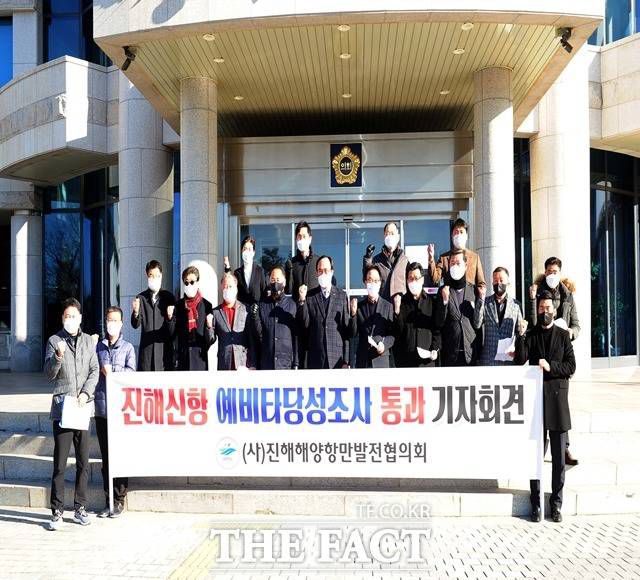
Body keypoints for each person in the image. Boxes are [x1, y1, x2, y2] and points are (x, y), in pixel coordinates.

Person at [515, 291, 576, 523]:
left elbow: (571, 366)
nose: (545, 311)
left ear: (554, 309)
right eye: (541, 307)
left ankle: (556, 504)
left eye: (548, 307)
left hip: (558, 404)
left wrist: (551, 366)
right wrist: (521, 335)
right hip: (536, 404)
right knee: (536, 458)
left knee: (559, 460)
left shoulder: (563, 335)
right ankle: (536, 503)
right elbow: (519, 359)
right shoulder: (531, 334)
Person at [43, 298, 99, 531]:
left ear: (80, 318)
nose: (70, 320)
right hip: (62, 408)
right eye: (67, 316)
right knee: (60, 464)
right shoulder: (54, 340)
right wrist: (58, 356)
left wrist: (86, 393)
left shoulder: (88, 341)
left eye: (74, 316)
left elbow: (94, 370)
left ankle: (80, 508)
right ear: (62, 318)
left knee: (83, 463)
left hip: (82, 407)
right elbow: (49, 374)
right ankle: (57, 511)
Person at [529, 256, 581, 466]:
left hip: (560, 351)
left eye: (555, 272)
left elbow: (576, 324)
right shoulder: (538, 294)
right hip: (542, 351)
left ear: (560, 273)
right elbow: (534, 323)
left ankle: (564, 447)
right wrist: (533, 301)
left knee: (560, 407)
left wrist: (570, 333)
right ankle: (541, 451)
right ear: (545, 272)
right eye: (549, 271)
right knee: (541, 410)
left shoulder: (568, 296)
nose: (552, 275)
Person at [95, 306, 136, 518]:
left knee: (120, 454)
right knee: (106, 456)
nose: (111, 324)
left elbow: (131, 373)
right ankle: (108, 499)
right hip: (102, 408)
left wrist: (113, 371)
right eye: (109, 320)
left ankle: (119, 498)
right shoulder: (98, 347)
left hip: (120, 409)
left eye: (115, 321)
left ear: (121, 324)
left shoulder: (128, 348)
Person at [297, 255, 356, 369]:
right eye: (320, 271)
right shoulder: (310, 296)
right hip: (315, 356)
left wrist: (346, 360)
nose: (323, 273)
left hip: (337, 358)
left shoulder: (341, 296)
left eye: (326, 270)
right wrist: (302, 301)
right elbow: (305, 325)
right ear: (316, 273)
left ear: (332, 272)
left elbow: (345, 332)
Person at [435, 249, 482, 366]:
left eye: (458, 263)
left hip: (470, 355)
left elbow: (478, 324)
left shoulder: (474, 291)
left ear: (465, 266)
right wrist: (444, 302)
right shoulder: (443, 291)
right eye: (452, 263)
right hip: (450, 355)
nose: (455, 266)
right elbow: (439, 323)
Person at [393, 262, 441, 368]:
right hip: (406, 363)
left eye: (416, 278)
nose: (413, 281)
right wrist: (397, 312)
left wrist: (435, 349)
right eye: (410, 278)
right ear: (406, 281)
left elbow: (437, 331)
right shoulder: (401, 303)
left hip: (427, 362)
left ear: (422, 279)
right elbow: (397, 333)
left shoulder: (432, 302)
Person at [131, 260, 176, 371]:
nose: (154, 278)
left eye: (157, 275)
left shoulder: (169, 297)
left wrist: (170, 318)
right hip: (147, 355)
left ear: (161, 276)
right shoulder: (141, 298)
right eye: (151, 275)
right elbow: (135, 325)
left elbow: (173, 331)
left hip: (164, 354)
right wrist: (135, 312)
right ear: (147, 276)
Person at [250, 265, 298, 370]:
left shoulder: (292, 305)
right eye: (272, 280)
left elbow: (295, 336)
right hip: (266, 363)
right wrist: (254, 317)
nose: (275, 283)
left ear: (284, 282)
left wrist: (296, 363)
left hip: (285, 364)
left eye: (278, 280)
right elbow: (258, 335)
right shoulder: (262, 305)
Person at [474, 267, 524, 366]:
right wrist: (481, 299)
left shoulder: (516, 305)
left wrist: (517, 349)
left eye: (501, 280)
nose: (498, 283)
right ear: (492, 283)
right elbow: (477, 324)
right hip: (489, 359)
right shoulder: (485, 302)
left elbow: (519, 331)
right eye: (495, 280)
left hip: (508, 359)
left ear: (507, 282)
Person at [168, 266, 215, 371]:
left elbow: (211, 340)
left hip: (200, 359)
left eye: (192, 282)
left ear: (197, 282)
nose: (189, 285)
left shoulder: (206, 305)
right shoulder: (178, 306)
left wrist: (209, 326)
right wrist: (170, 318)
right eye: (186, 282)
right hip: (183, 358)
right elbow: (172, 334)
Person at [352, 265, 395, 368]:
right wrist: (353, 315)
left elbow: (392, 335)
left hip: (381, 359)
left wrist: (384, 344)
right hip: (363, 360)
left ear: (380, 283)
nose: (372, 284)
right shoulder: (359, 306)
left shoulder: (388, 306)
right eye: (370, 280)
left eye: (376, 281)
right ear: (365, 282)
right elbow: (353, 333)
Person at [210, 273, 255, 370]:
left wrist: (253, 364)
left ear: (236, 289)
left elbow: (251, 338)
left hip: (243, 363)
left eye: (230, 286)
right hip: (224, 363)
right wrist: (209, 327)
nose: (227, 289)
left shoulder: (246, 310)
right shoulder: (216, 312)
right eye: (225, 287)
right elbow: (210, 340)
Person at [429, 218, 486, 288]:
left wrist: (481, 291)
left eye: (461, 232)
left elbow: (481, 283)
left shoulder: (474, 257)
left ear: (466, 236)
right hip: (450, 294)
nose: (458, 234)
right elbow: (435, 279)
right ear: (452, 236)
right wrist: (431, 259)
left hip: (469, 294)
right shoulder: (444, 258)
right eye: (456, 232)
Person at [362, 222, 408, 306]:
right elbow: (367, 274)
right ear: (384, 236)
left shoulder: (404, 260)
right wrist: (368, 257)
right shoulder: (377, 260)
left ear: (398, 236)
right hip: (383, 306)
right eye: (387, 233)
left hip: (401, 306)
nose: (389, 236)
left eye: (392, 233)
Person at [223, 235, 266, 305]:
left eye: (249, 249)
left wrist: (260, 308)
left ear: (253, 252)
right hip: (241, 310)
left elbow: (264, 293)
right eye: (244, 249)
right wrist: (227, 268)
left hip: (257, 310)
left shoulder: (260, 271)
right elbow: (231, 287)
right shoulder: (237, 273)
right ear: (241, 251)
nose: (247, 252)